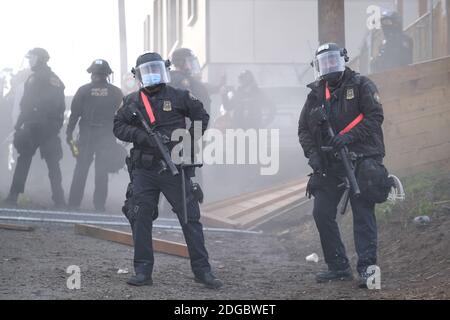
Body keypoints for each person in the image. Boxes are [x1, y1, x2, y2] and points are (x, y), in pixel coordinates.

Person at [113, 52, 223, 289]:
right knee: (140, 215)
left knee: (190, 218)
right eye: (147, 72)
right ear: (139, 76)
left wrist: (186, 141)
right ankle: (143, 271)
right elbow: (118, 127)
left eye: (156, 70)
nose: (152, 76)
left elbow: (201, 116)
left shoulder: (179, 95)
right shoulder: (131, 101)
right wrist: (141, 135)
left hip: (175, 167)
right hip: (145, 169)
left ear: (163, 71)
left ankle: (202, 271)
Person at [298, 43, 387, 288]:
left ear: (342, 60)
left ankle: (369, 272)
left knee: (363, 214)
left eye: (332, 61)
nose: (328, 67)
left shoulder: (361, 85)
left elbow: (375, 117)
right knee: (321, 213)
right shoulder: (315, 94)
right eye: (323, 63)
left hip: (362, 158)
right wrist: (313, 155)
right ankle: (338, 267)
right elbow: (303, 129)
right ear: (317, 67)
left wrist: (349, 137)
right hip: (330, 163)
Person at [5, 48, 66, 207]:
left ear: (39, 58)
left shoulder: (34, 78)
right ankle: (59, 200)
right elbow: (61, 106)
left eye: (31, 57)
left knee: (23, 161)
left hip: (33, 126)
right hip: (50, 128)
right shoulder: (57, 79)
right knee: (53, 165)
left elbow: (26, 104)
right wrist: (57, 125)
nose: (29, 61)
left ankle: (13, 196)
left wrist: (18, 125)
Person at [66, 59, 124, 212]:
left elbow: (74, 115)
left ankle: (73, 203)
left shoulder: (83, 90)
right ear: (107, 74)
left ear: (92, 74)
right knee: (101, 172)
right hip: (107, 136)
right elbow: (123, 116)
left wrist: (69, 133)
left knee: (81, 169)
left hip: (87, 135)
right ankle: (99, 205)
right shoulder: (116, 92)